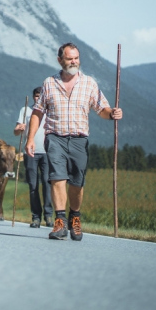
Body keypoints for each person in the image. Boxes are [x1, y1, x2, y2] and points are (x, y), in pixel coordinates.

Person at [26, 42, 123, 241]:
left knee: (77, 182)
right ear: (59, 59)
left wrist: (112, 113)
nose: (74, 61)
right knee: (57, 177)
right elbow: (37, 112)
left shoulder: (89, 83)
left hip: (79, 140)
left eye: (76, 58)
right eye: (70, 58)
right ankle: (59, 221)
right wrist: (30, 139)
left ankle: (75, 217)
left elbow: (101, 109)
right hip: (55, 138)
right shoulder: (49, 83)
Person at [15, 87, 53, 227]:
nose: (38, 98)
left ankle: (48, 216)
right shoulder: (25, 110)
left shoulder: (50, 111)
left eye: (40, 96)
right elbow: (16, 131)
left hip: (47, 151)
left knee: (47, 183)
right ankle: (36, 217)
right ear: (33, 97)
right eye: (36, 96)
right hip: (30, 151)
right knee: (33, 185)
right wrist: (19, 129)